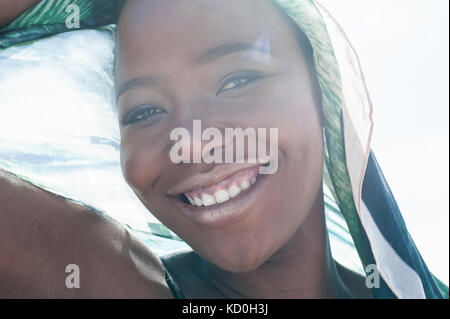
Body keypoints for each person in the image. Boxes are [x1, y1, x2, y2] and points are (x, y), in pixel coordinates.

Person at [0, 0, 447, 299]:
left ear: (325, 93)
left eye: (238, 81)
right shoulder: (107, 277)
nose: (191, 141)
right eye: (143, 112)